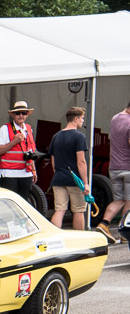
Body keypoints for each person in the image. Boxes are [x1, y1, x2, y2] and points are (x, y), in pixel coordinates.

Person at [48, 107, 90, 230]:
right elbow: (81, 161)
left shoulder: (56, 136)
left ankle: (54, 237)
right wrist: (86, 183)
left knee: (60, 209)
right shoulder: (79, 137)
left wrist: (58, 173)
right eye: (82, 118)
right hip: (75, 180)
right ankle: (79, 240)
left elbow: (53, 161)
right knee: (78, 210)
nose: (83, 121)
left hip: (59, 178)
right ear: (75, 119)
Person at [0, 101, 39, 207]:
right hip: (9, 174)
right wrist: (14, 142)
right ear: (13, 115)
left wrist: (34, 170)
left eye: (23, 113)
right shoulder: (5, 129)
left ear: (27, 114)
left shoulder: (28, 129)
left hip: (26, 174)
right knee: (9, 205)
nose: (21, 115)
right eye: (18, 113)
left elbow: (30, 151)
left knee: (23, 204)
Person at [96, 101, 129, 244]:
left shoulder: (114, 118)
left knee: (119, 200)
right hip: (128, 167)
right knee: (129, 201)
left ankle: (104, 223)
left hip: (114, 167)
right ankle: (125, 233)